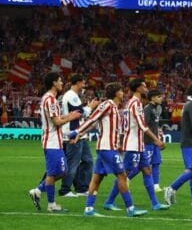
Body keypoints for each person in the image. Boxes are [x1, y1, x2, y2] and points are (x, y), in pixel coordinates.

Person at [70, 82, 148, 217]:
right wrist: (76, 132)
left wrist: (80, 134)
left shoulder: (114, 107)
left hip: (107, 148)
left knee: (97, 179)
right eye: (120, 91)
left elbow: (95, 123)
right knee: (122, 176)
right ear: (116, 93)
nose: (123, 93)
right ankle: (130, 209)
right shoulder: (107, 105)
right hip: (107, 148)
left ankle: (88, 209)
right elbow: (92, 119)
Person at [103, 79, 168, 211]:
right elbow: (142, 125)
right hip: (133, 144)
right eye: (144, 86)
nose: (146, 89)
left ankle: (155, 203)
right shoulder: (136, 103)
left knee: (146, 170)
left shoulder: (130, 103)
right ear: (138, 88)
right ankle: (109, 201)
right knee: (124, 175)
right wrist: (156, 139)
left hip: (139, 144)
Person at [28, 72, 83, 213]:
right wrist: (71, 118)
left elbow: (58, 118)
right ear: (53, 83)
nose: (61, 83)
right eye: (59, 81)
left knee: (63, 171)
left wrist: (70, 115)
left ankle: (38, 190)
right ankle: (51, 205)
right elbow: (57, 121)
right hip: (51, 142)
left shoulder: (50, 99)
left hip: (56, 141)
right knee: (54, 173)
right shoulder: (50, 100)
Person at [59, 74, 100, 197]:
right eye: (83, 83)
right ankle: (65, 189)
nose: (84, 85)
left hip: (80, 134)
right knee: (73, 163)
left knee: (88, 161)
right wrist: (91, 107)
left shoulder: (74, 96)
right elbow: (79, 113)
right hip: (73, 133)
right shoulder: (71, 95)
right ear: (77, 83)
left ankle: (82, 188)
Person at [143, 89, 166, 192]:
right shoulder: (147, 109)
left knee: (156, 163)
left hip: (155, 141)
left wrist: (158, 133)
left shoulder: (158, 108)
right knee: (143, 165)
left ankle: (156, 185)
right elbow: (144, 125)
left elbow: (154, 124)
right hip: (147, 141)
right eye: (159, 97)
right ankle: (126, 179)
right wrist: (154, 138)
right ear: (152, 98)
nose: (161, 98)